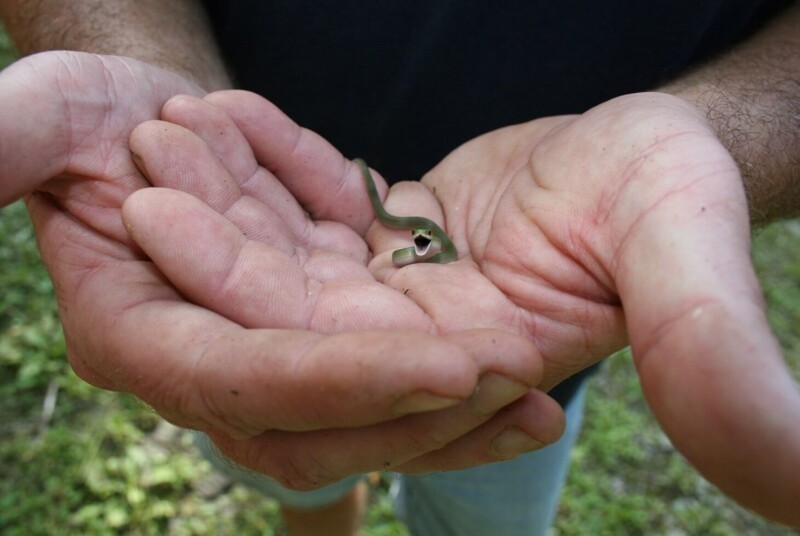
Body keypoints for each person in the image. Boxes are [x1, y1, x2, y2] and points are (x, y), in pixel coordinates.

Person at [0, 1, 798, 534]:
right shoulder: (372, 220)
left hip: (528, 341)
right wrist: (143, 68)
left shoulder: (449, 254)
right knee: (294, 464)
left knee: (485, 494)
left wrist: (715, 137)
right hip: (239, 282)